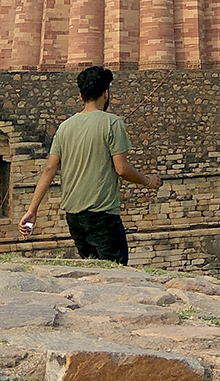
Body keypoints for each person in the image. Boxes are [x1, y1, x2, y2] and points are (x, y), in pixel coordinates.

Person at [19, 66, 160, 265]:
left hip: (74, 217)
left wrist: (32, 210)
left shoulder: (65, 127)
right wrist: (148, 181)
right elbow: (122, 169)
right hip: (102, 215)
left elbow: (49, 169)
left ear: (80, 96)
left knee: (93, 270)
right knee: (114, 275)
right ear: (106, 93)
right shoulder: (112, 123)